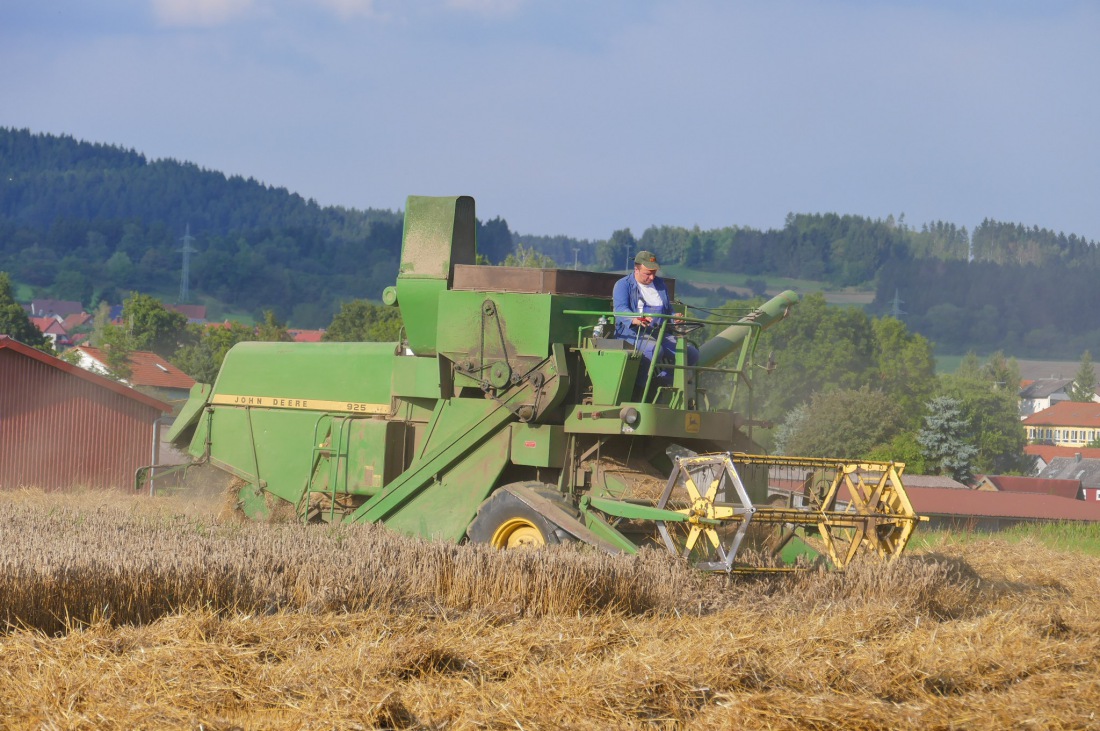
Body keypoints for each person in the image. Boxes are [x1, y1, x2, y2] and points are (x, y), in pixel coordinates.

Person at [612, 250, 699, 389]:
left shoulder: (659, 284)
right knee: (654, 350)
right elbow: (620, 309)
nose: (652, 277)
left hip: (659, 333)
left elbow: (667, 309)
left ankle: (662, 382)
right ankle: (639, 388)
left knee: (691, 353)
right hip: (632, 334)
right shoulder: (623, 285)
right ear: (636, 269)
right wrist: (635, 319)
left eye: (654, 273)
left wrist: (674, 318)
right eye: (648, 273)